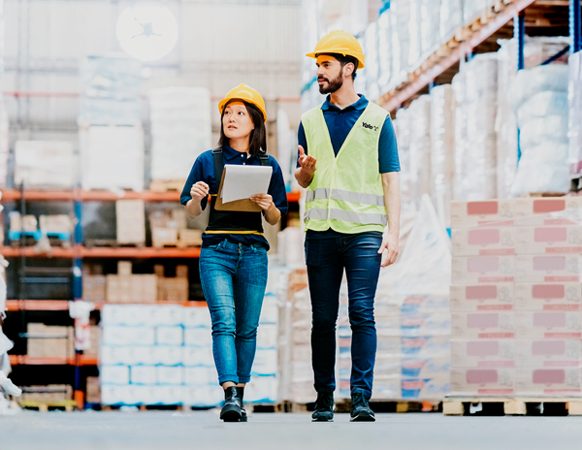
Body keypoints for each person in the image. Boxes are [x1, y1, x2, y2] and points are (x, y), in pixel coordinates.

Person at [295, 30, 401, 422]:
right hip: (321, 233)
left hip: (364, 233)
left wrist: (394, 233)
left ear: (349, 67)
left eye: (325, 65)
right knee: (322, 317)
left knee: (361, 312)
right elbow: (303, 181)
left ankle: (360, 397)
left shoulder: (378, 120)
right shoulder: (308, 120)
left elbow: (391, 178)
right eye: (317, 65)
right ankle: (324, 396)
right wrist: (304, 174)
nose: (319, 72)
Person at [180, 84, 287, 422]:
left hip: (254, 252)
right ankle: (229, 395)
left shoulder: (268, 165)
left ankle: (240, 393)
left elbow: (277, 218)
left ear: (255, 122)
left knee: (247, 328)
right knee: (224, 323)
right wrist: (198, 197)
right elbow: (191, 212)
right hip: (217, 252)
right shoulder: (206, 161)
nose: (232, 118)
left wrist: (268, 206)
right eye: (227, 113)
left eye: (240, 113)